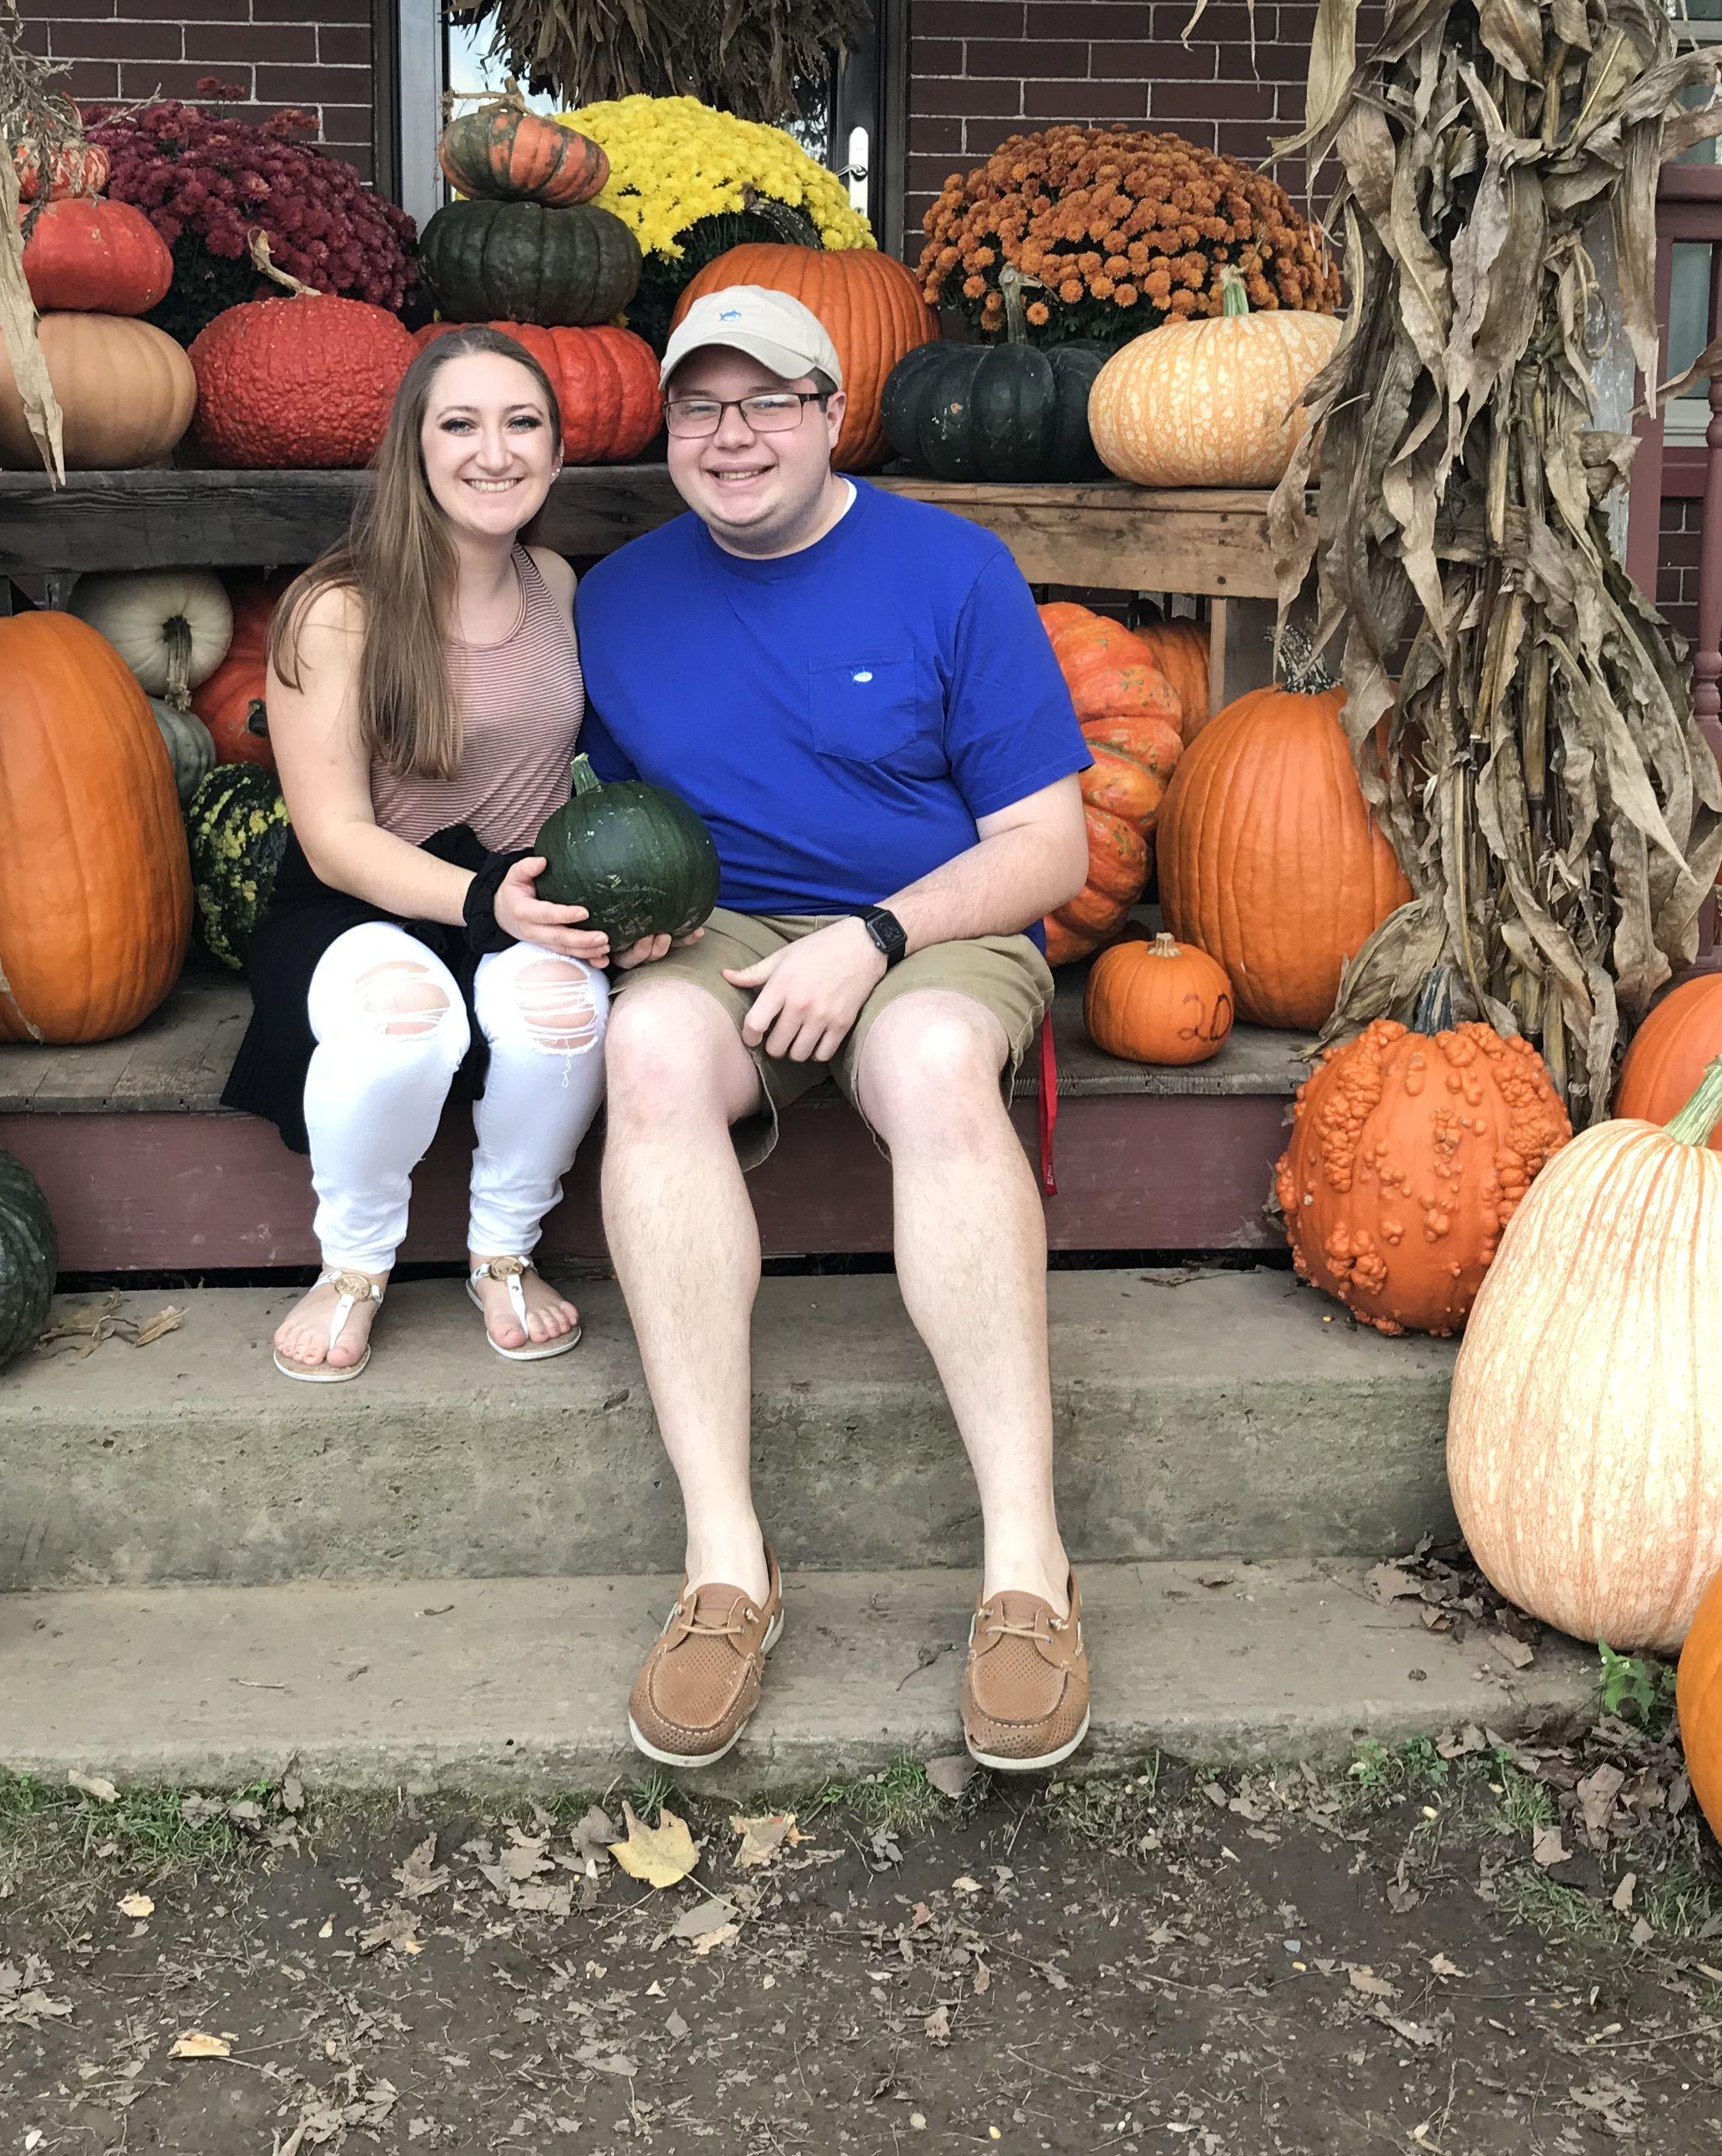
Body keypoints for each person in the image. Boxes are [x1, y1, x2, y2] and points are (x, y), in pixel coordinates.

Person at [573, 283, 1099, 1774]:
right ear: (668, 427)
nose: (730, 436)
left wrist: (872, 936)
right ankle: (725, 1567)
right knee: (651, 1052)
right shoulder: (616, 599)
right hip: (728, 936)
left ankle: (1024, 1568)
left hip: (922, 921)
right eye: (699, 406)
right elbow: (591, 807)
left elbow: (1048, 848)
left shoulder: (950, 570)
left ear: (827, 413)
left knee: (934, 1064)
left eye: (765, 403)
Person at [218, 329, 615, 1382]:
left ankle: (504, 1249)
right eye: (461, 424)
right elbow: (336, 837)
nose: (495, 452)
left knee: (566, 1014)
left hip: (522, 890)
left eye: (522, 422)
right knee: (402, 1024)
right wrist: (485, 900)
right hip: (366, 901)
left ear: (557, 452)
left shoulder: (556, 586)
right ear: (414, 449)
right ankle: (350, 1267)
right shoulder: (336, 609)